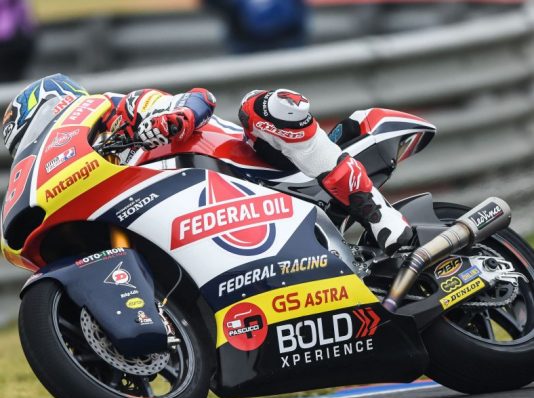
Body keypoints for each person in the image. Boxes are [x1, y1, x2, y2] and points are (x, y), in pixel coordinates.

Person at [2, 74, 412, 254]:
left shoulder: (121, 110)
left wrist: (171, 118)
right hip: (214, 222)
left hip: (264, 173)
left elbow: (199, 98)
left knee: (265, 106)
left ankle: (379, 215)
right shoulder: (96, 179)